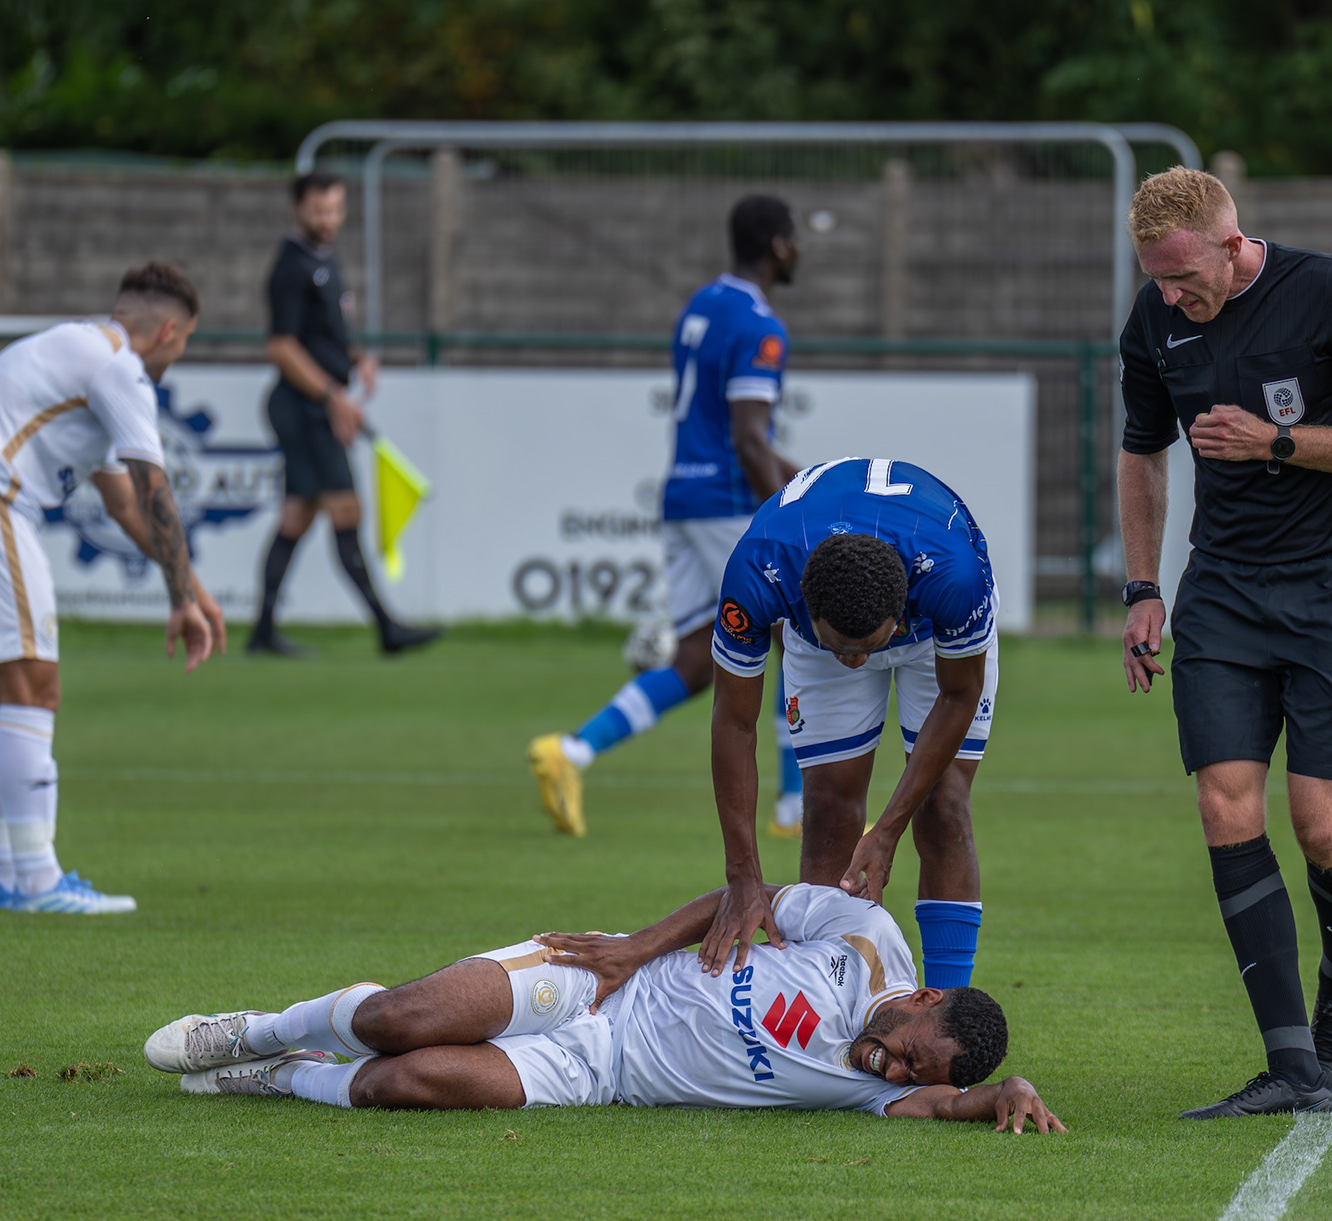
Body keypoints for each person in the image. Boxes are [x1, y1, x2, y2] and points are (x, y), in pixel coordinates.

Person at [1115, 167, 1332, 1118]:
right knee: (1224, 805)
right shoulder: (1155, 318)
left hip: (1330, 586)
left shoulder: (1331, 291)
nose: (1172, 297)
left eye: (1184, 277)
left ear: (1230, 242)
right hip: (1221, 591)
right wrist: (1143, 588)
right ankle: (1292, 1064)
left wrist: (1278, 443)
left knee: (1323, 831)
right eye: (1157, 279)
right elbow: (1142, 451)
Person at [143, 880, 1062, 1134]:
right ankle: (254, 1030)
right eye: (906, 1051)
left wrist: (1010, 1089)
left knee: (397, 1083)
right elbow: (743, 899)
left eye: (910, 1076)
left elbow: (956, 1103)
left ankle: (282, 1076)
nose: (891, 1071)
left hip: (600, 1070)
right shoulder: (863, 933)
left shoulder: (893, 1090)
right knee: (396, 1021)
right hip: (606, 979)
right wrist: (633, 948)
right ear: (922, 998)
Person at [0, 262, 225, 913]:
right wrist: (179, 599)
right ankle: (38, 881)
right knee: (35, 690)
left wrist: (191, 591)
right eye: (186, 340)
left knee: (1, 699)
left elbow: (123, 505)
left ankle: (14, 876)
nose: (179, 354)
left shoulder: (76, 350)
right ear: (169, 331)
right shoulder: (120, 370)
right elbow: (154, 490)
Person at [529, 195, 804, 838]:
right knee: (799, 636)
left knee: (696, 658)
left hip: (682, 495)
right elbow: (748, 440)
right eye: (794, 238)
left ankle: (572, 751)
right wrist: (789, 514)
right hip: (728, 504)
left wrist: (805, 476)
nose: (799, 250)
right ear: (778, 246)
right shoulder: (761, 327)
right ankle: (798, 807)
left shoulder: (701, 304)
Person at [698, 457, 999, 994]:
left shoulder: (954, 578)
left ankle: (949, 1012)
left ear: (898, 611)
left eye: (867, 647)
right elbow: (734, 723)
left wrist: (887, 831)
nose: (856, 663)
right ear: (803, 608)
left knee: (944, 804)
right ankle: (831, 1007)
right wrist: (743, 877)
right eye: (842, 648)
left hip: (930, 633)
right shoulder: (758, 571)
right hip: (828, 620)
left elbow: (959, 695)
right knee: (829, 808)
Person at [249, 169, 440, 657]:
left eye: (335, 209)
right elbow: (282, 347)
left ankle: (263, 632)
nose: (328, 218)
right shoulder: (290, 266)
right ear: (297, 208)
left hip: (315, 405)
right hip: (304, 409)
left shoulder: (325, 258)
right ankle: (387, 628)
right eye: (318, 210)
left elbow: (319, 336)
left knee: (297, 516)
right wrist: (333, 396)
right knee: (346, 510)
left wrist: (356, 358)